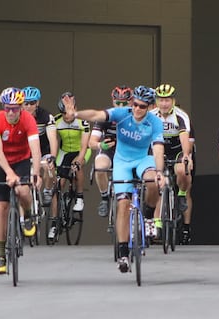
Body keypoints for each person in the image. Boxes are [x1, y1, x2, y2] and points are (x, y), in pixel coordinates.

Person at [61, 85, 165, 273]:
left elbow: (158, 149)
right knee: (123, 205)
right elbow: (95, 115)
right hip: (122, 162)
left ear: (149, 107)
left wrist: (159, 172)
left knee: (152, 181)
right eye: (135, 105)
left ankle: (148, 217)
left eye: (142, 106)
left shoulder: (155, 122)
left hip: (143, 159)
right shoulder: (121, 113)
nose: (137, 109)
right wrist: (75, 114)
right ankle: (123, 253)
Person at [0, 87, 42, 274]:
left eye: (15, 108)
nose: (11, 112)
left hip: (21, 161)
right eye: (7, 108)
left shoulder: (29, 120)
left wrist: (37, 172)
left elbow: (35, 148)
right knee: (1, 208)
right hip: (1, 163)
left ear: (21, 108)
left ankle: (27, 217)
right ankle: (1, 254)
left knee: (23, 191)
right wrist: (9, 173)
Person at [151, 83, 194, 244]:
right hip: (158, 148)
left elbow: (185, 137)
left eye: (167, 100)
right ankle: (157, 224)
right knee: (157, 182)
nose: (164, 103)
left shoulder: (181, 116)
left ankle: (181, 194)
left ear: (173, 101)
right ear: (156, 101)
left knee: (183, 170)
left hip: (176, 148)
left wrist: (185, 155)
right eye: (161, 100)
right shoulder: (151, 115)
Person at [46, 92, 91, 241]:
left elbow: (85, 146)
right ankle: (54, 222)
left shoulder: (83, 122)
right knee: (58, 184)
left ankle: (79, 197)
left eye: (68, 114)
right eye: (63, 114)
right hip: (64, 152)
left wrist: (79, 160)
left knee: (76, 167)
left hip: (81, 150)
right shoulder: (56, 121)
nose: (66, 117)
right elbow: (54, 140)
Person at [88, 85, 133, 217]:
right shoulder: (105, 116)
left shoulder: (136, 116)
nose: (120, 106)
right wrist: (101, 145)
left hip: (129, 151)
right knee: (100, 168)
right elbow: (91, 143)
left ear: (131, 102)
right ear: (113, 101)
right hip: (109, 149)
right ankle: (104, 198)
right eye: (117, 103)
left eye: (124, 103)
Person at [21, 86, 58, 205]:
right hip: (25, 150)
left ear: (37, 103)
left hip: (43, 149)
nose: (28, 106)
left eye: (32, 103)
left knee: (49, 167)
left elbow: (53, 139)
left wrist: (53, 156)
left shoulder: (46, 116)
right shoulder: (18, 117)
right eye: (25, 103)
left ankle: (47, 190)